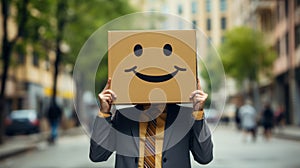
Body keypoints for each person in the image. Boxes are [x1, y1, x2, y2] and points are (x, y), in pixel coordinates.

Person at [89, 78, 213, 168]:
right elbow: (98, 155)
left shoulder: (185, 117)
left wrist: (198, 113)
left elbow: (204, 157)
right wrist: (104, 112)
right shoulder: (124, 117)